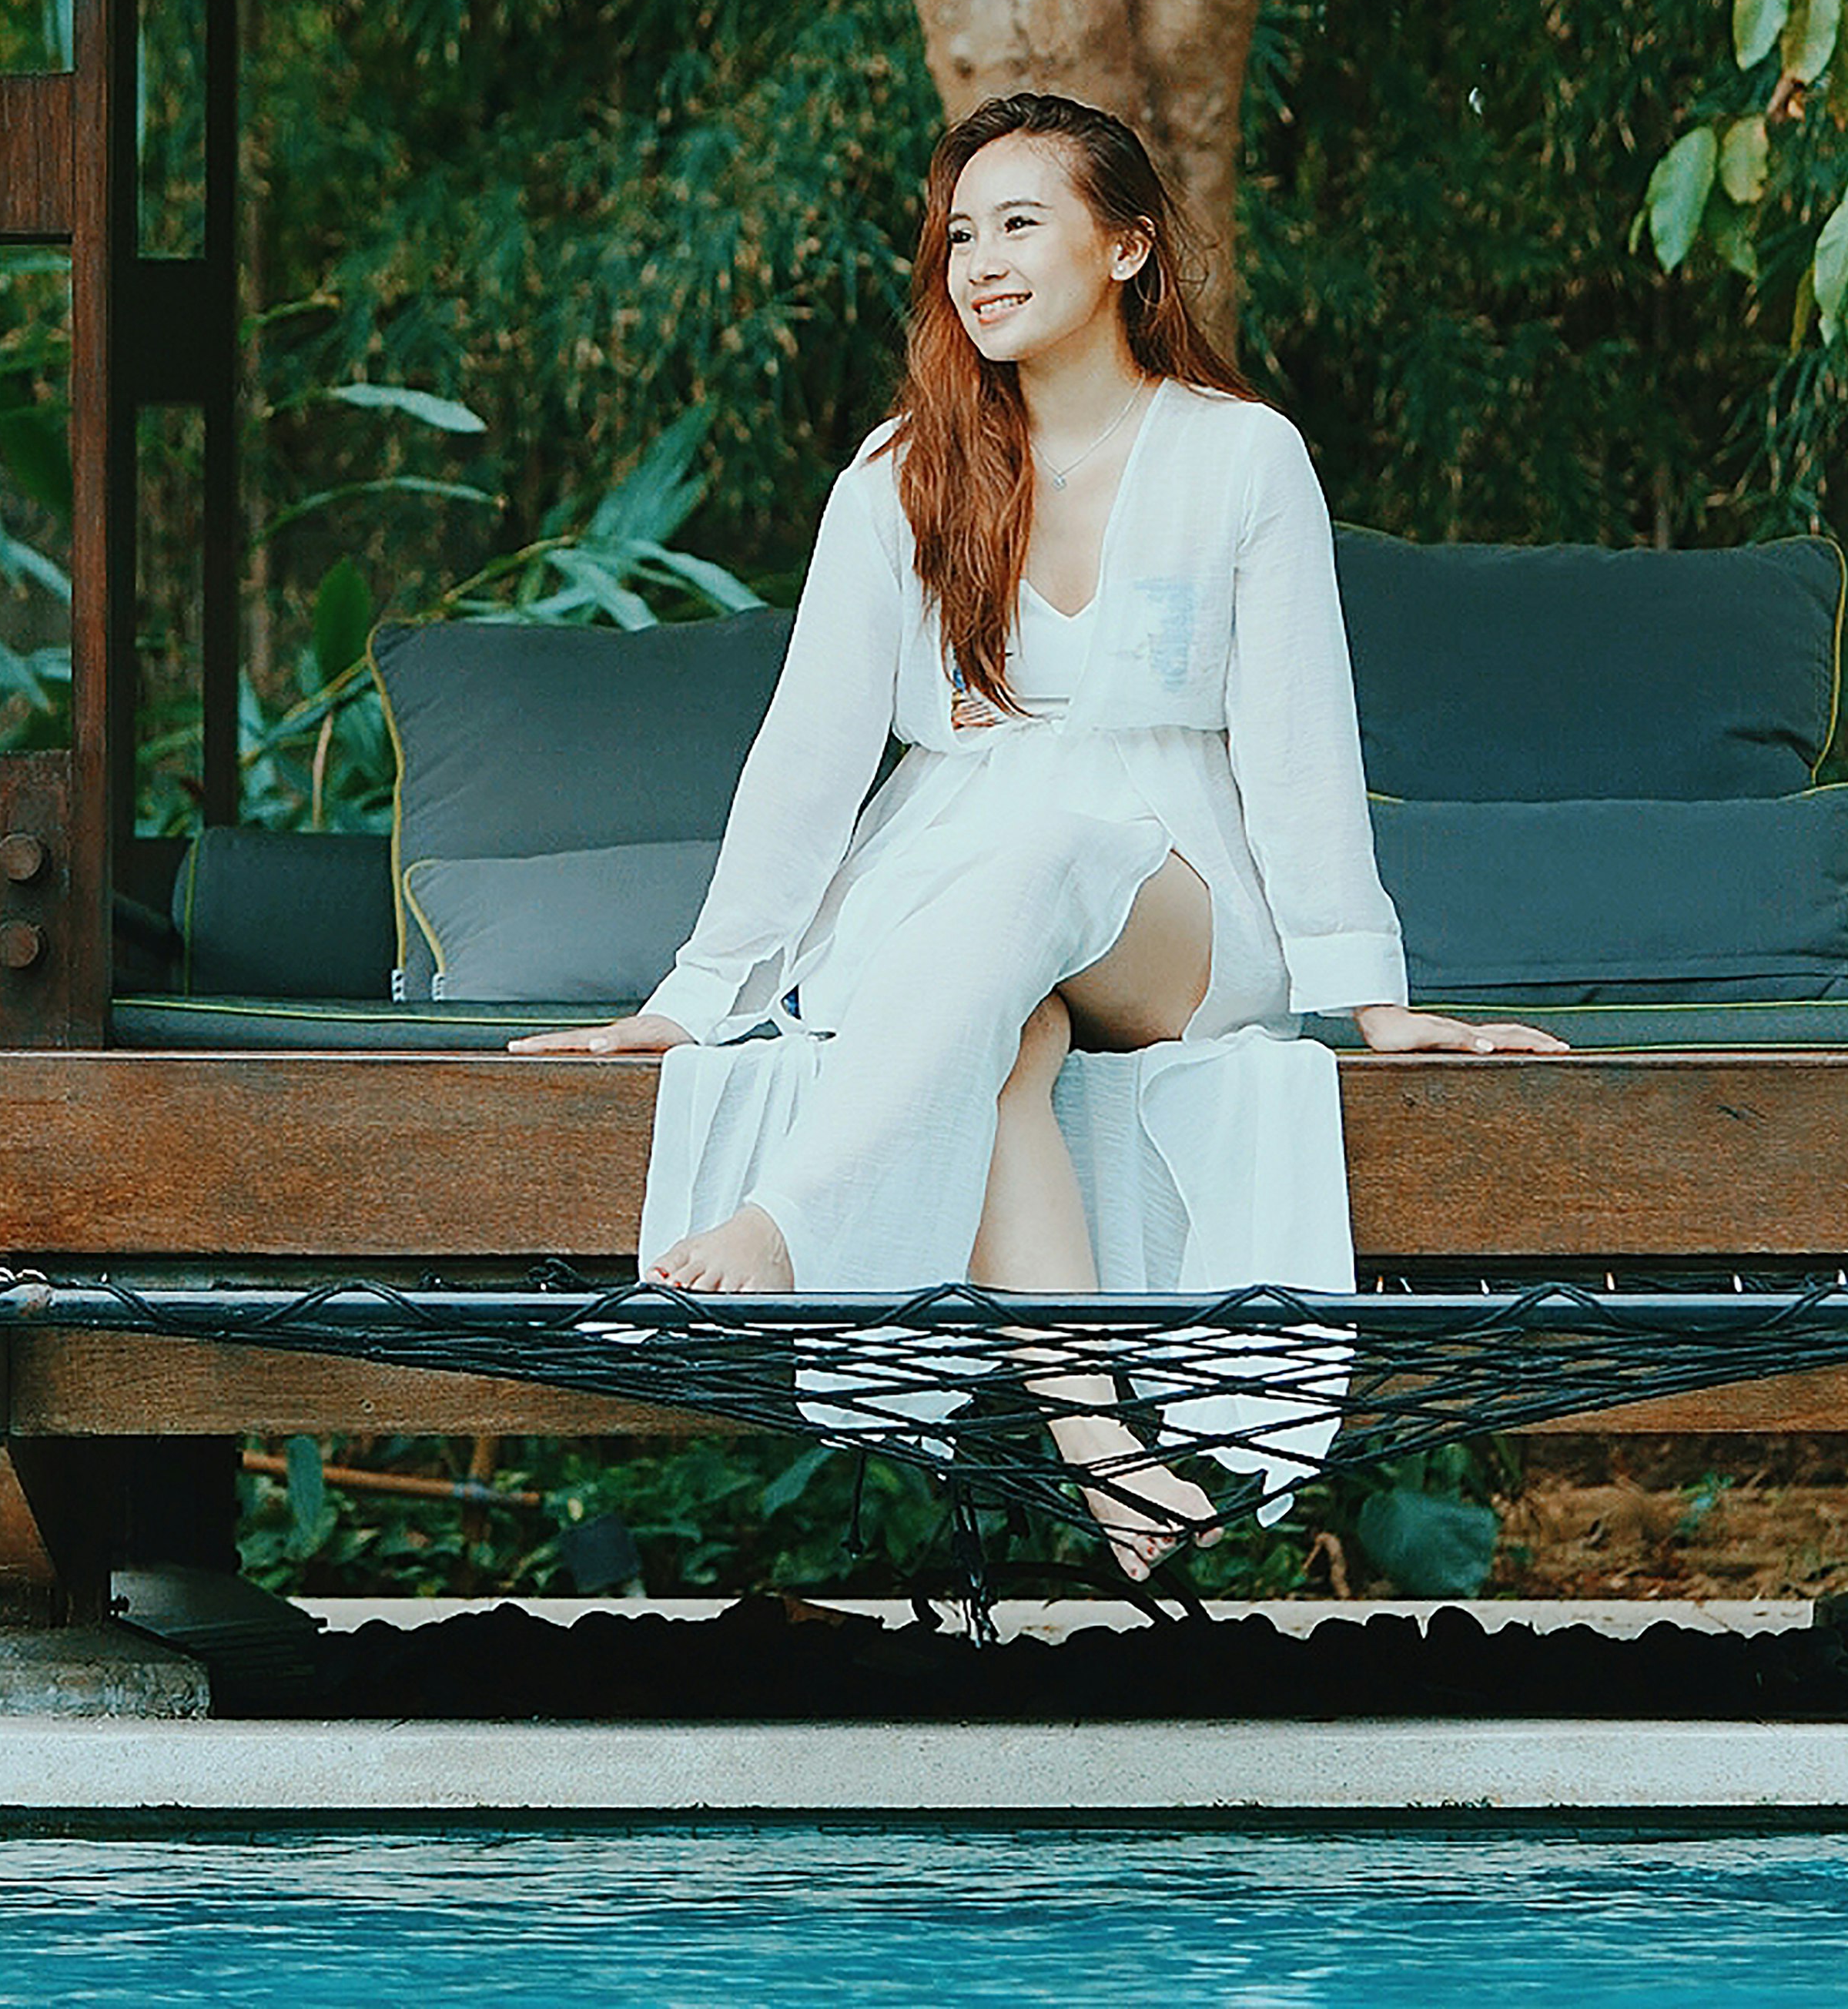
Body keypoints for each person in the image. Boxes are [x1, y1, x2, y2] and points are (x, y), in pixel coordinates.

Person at [514, 89, 1564, 1563]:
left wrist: (1372, 1003)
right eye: (958, 234)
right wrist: (696, 999)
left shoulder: (1240, 456)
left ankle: (795, 1229)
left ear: (1128, 247)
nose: (979, 262)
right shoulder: (897, 474)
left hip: (1171, 903)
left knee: (1040, 856)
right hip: (951, 896)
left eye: (1021, 224)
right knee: (1000, 1023)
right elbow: (806, 758)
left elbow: (1299, 739)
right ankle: (1103, 1448)